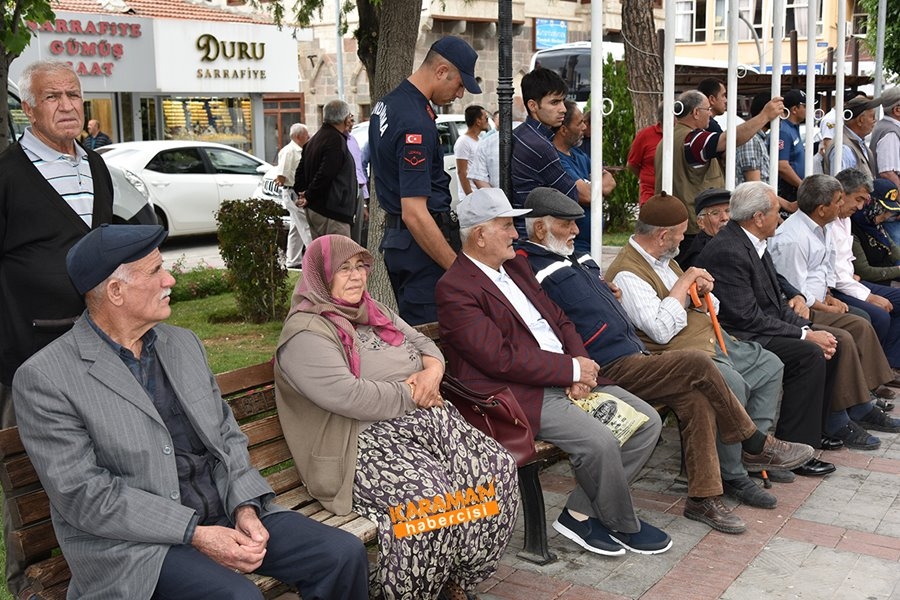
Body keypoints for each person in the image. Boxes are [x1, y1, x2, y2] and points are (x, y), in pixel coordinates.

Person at [12, 224, 369, 600]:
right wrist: (194, 533)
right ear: (115, 291)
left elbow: (227, 437)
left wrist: (245, 507)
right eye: (154, 272)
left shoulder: (182, 344)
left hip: (224, 511)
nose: (170, 279)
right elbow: (85, 496)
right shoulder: (46, 378)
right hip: (138, 546)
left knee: (340, 555)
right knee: (237, 597)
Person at [520, 188, 812, 521]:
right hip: (608, 364)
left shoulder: (582, 258)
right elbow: (547, 321)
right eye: (566, 224)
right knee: (698, 364)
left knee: (696, 397)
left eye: (575, 223)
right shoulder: (533, 267)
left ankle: (704, 497)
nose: (575, 231)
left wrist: (606, 291)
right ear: (541, 229)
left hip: (636, 353)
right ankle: (755, 442)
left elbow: (598, 294)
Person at [274, 234, 518, 600]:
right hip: (362, 443)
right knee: (431, 506)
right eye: (343, 269)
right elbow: (349, 395)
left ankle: (455, 576)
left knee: (496, 473)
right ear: (320, 276)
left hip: (426, 423)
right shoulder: (307, 333)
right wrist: (413, 391)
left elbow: (424, 345)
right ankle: (406, 591)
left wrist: (433, 372)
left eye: (360, 267)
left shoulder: (374, 311)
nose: (356, 277)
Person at [436, 188, 673, 554]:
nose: (516, 234)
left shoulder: (515, 266)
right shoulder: (455, 289)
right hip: (516, 395)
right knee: (600, 442)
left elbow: (559, 319)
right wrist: (568, 369)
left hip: (564, 376)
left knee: (646, 422)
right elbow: (498, 358)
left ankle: (578, 515)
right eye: (506, 226)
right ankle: (622, 524)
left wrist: (580, 367)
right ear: (480, 235)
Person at [0, 60, 116, 595]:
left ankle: (102, 552)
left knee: (100, 455)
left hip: (100, 344)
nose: (69, 105)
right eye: (53, 97)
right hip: (29, 349)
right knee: (28, 468)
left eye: (75, 94)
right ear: (29, 108)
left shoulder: (96, 167)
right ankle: (31, 573)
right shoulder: (7, 173)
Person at [697, 182, 896, 456]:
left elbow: (775, 282)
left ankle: (821, 427)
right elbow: (747, 318)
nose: (781, 217)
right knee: (811, 353)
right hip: (742, 336)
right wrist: (804, 333)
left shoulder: (750, 239)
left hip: (764, 322)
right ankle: (798, 444)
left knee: (831, 343)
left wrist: (802, 316)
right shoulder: (730, 249)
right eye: (777, 211)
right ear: (758, 218)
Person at [369, 36, 481, 325]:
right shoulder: (414, 121)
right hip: (421, 248)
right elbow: (415, 212)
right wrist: (457, 269)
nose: (459, 95)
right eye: (459, 85)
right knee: (435, 345)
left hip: (403, 243)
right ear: (441, 70)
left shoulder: (389, 104)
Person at [654, 89, 783, 253]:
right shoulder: (692, 140)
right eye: (707, 110)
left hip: (682, 225)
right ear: (695, 112)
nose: (710, 114)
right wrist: (765, 116)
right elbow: (728, 140)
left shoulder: (670, 138)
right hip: (695, 231)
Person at [832, 169, 900, 374]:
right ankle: (870, 377)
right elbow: (860, 271)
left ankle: (890, 364)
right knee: (878, 315)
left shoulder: (849, 219)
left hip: (850, 281)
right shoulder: (849, 224)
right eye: (858, 199)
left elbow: (848, 267)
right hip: (838, 287)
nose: (861, 206)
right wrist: (869, 296)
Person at [511, 68, 591, 238]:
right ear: (533, 105)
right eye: (554, 102)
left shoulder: (524, 134)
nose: (562, 109)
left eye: (562, 101)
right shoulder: (539, 145)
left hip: (525, 229)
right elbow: (572, 195)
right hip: (536, 236)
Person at [553, 100, 615, 254]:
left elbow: (611, 181)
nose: (584, 127)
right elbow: (586, 195)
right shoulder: (555, 159)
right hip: (573, 246)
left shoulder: (579, 155)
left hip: (592, 245)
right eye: (579, 123)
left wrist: (594, 190)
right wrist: (596, 191)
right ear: (563, 130)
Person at [295, 99, 357, 239]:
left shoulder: (314, 140)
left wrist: (304, 194)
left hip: (315, 210)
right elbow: (326, 173)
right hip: (332, 214)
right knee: (340, 258)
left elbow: (299, 175)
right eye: (349, 115)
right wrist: (308, 195)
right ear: (344, 118)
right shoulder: (335, 141)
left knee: (323, 258)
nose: (350, 119)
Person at [850, 177, 900, 285]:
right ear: (870, 203)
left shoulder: (876, 226)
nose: (886, 216)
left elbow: (895, 252)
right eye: (883, 210)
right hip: (865, 285)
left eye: (890, 212)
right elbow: (865, 272)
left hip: (885, 281)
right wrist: (898, 270)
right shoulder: (852, 227)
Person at [274, 123, 311, 268]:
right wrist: (282, 182)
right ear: (298, 136)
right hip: (292, 192)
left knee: (296, 228)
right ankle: (315, 259)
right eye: (306, 135)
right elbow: (282, 173)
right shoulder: (289, 151)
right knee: (306, 225)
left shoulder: (301, 150)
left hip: (296, 192)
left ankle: (293, 260)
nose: (308, 138)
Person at [469, 99, 527, 189]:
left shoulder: (487, 142)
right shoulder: (538, 138)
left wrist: (497, 200)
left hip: (497, 198)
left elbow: (478, 178)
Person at [822, 95, 881, 178]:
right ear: (860, 120)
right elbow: (841, 185)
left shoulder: (856, 144)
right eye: (872, 116)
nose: (875, 120)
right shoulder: (843, 149)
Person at [627, 102, 664, 205]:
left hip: (676, 196)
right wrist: (647, 178)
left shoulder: (681, 135)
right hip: (650, 197)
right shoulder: (645, 135)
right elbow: (632, 164)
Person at [777, 89, 808, 202]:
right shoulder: (784, 131)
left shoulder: (793, 128)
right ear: (795, 109)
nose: (807, 110)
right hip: (789, 191)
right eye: (804, 106)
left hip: (795, 189)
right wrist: (802, 186)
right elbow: (782, 166)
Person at [454, 104, 489, 199]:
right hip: (470, 196)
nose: (488, 121)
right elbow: (461, 172)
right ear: (478, 121)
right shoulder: (463, 142)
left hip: (481, 194)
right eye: (486, 118)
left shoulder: (480, 140)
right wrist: (470, 195)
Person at [870, 87, 900, 188]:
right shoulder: (890, 133)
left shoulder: (887, 127)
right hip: (890, 199)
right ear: (897, 110)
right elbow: (887, 173)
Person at [346, 125, 370, 246]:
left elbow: (359, 169)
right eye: (349, 120)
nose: (351, 124)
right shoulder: (336, 141)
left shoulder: (353, 140)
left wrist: (365, 197)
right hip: (345, 191)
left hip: (359, 189)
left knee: (358, 232)